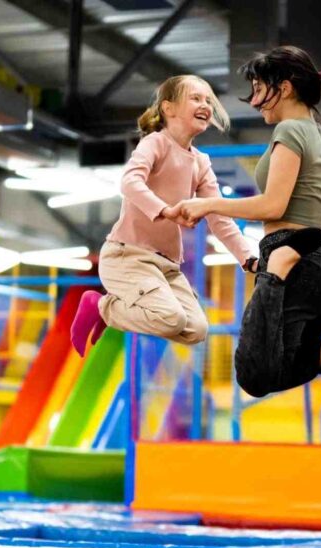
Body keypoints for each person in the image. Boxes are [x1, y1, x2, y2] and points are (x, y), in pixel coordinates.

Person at [177, 46, 321, 398]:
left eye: (259, 90)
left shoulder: (289, 131)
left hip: (289, 265)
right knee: (276, 366)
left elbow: (274, 205)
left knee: (254, 373)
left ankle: (290, 270)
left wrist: (207, 204)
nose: (255, 101)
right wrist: (307, 246)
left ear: (285, 88)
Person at [69, 75, 256, 356]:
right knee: (172, 318)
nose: (205, 104)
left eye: (208, 100)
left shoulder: (201, 162)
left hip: (166, 266)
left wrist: (247, 257)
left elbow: (218, 216)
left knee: (196, 329)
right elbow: (130, 182)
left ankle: (107, 311)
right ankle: (101, 306)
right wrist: (165, 210)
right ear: (169, 109)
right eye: (195, 98)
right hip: (127, 256)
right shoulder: (155, 143)